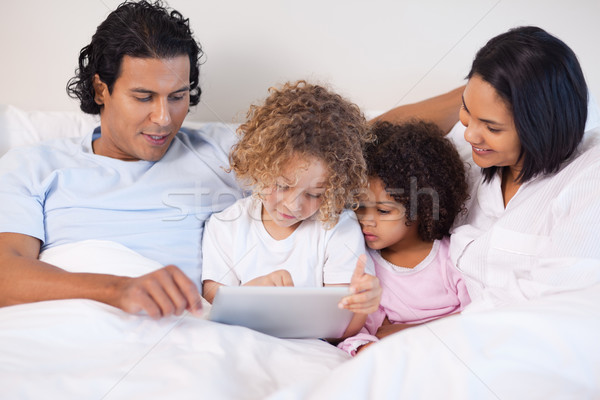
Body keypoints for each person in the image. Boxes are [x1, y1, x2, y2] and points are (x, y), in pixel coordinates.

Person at [0, 1, 242, 318]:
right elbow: (5, 277)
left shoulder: (228, 154)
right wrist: (118, 290)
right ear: (101, 89)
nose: (164, 118)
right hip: (71, 328)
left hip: (185, 336)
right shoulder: (34, 166)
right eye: (144, 97)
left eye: (178, 96)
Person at [377, 25, 600, 314]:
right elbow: (374, 137)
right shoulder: (475, 151)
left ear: (542, 128)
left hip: (487, 338)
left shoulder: (587, 181)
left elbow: (550, 305)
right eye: (466, 111)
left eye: (492, 127)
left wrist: (411, 335)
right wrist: (486, 85)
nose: (470, 134)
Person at [201, 81, 382, 336]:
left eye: (314, 194)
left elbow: (342, 330)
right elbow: (211, 310)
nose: (293, 205)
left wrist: (363, 306)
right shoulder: (225, 226)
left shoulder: (338, 228)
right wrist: (251, 294)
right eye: (282, 186)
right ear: (259, 165)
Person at [337, 120, 471, 355]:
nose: (366, 220)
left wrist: (402, 331)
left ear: (422, 209)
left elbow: (479, 319)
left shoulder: (453, 257)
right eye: (359, 206)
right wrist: (365, 346)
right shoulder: (368, 268)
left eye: (383, 211)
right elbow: (358, 333)